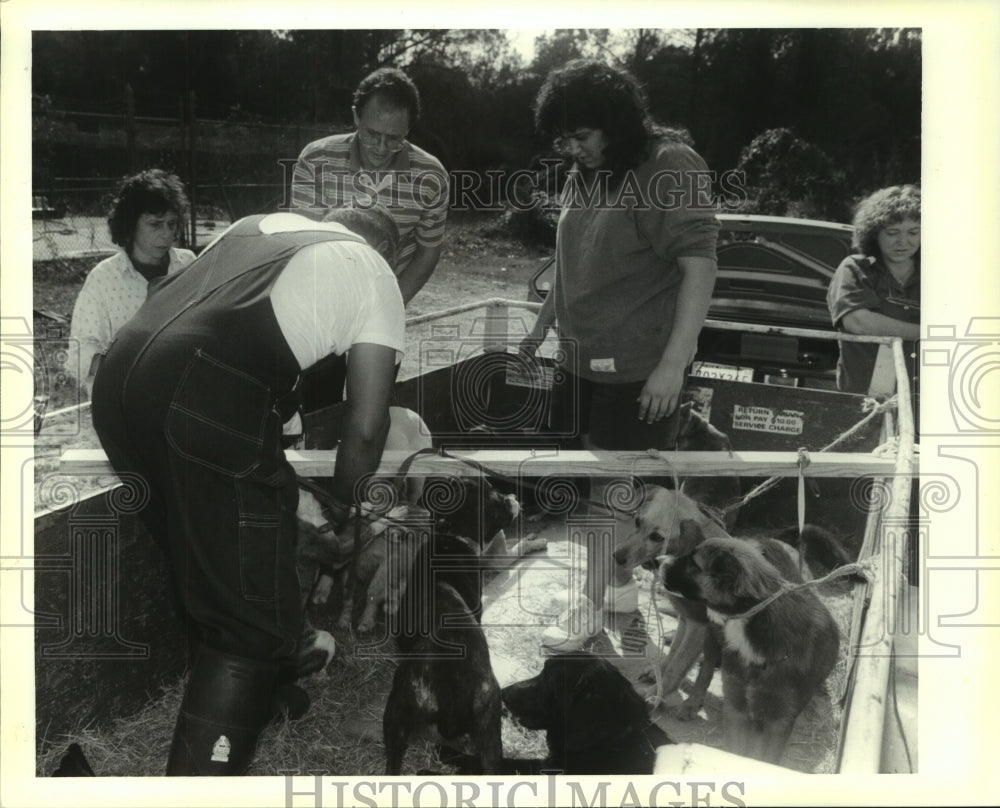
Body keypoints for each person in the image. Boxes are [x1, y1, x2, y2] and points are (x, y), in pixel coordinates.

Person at [90, 205, 404, 776]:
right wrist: (344, 510)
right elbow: (366, 424)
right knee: (248, 624)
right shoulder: (376, 273)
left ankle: (258, 698)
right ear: (389, 251)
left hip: (119, 384)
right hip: (203, 401)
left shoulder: (260, 226)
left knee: (206, 569)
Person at [520, 59, 720, 651]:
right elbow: (572, 258)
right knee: (585, 491)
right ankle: (618, 595)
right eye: (562, 140)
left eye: (580, 136)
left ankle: (587, 607)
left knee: (615, 498)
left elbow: (700, 266)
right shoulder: (590, 170)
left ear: (616, 123)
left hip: (636, 369)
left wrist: (671, 366)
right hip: (576, 359)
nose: (571, 150)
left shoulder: (669, 165)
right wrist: (540, 329)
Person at [288, 66, 449, 305]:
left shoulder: (431, 176)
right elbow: (303, 240)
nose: (381, 148)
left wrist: (389, 306)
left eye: (394, 138)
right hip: (321, 293)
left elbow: (428, 252)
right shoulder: (315, 159)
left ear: (408, 129)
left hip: (385, 293)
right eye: (371, 134)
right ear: (356, 116)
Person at [69, 169, 195, 395]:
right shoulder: (103, 278)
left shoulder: (188, 264)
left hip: (181, 396)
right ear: (130, 224)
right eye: (155, 224)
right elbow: (79, 354)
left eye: (171, 223)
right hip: (125, 401)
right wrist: (130, 369)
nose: (167, 234)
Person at [826, 184, 921, 398]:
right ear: (873, 234)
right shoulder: (856, 267)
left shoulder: (935, 273)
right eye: (892, 233)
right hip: (864, 396)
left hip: (920, 398)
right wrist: (925, 333)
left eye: (913, 232)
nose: (903, 242)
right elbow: (858, 322)